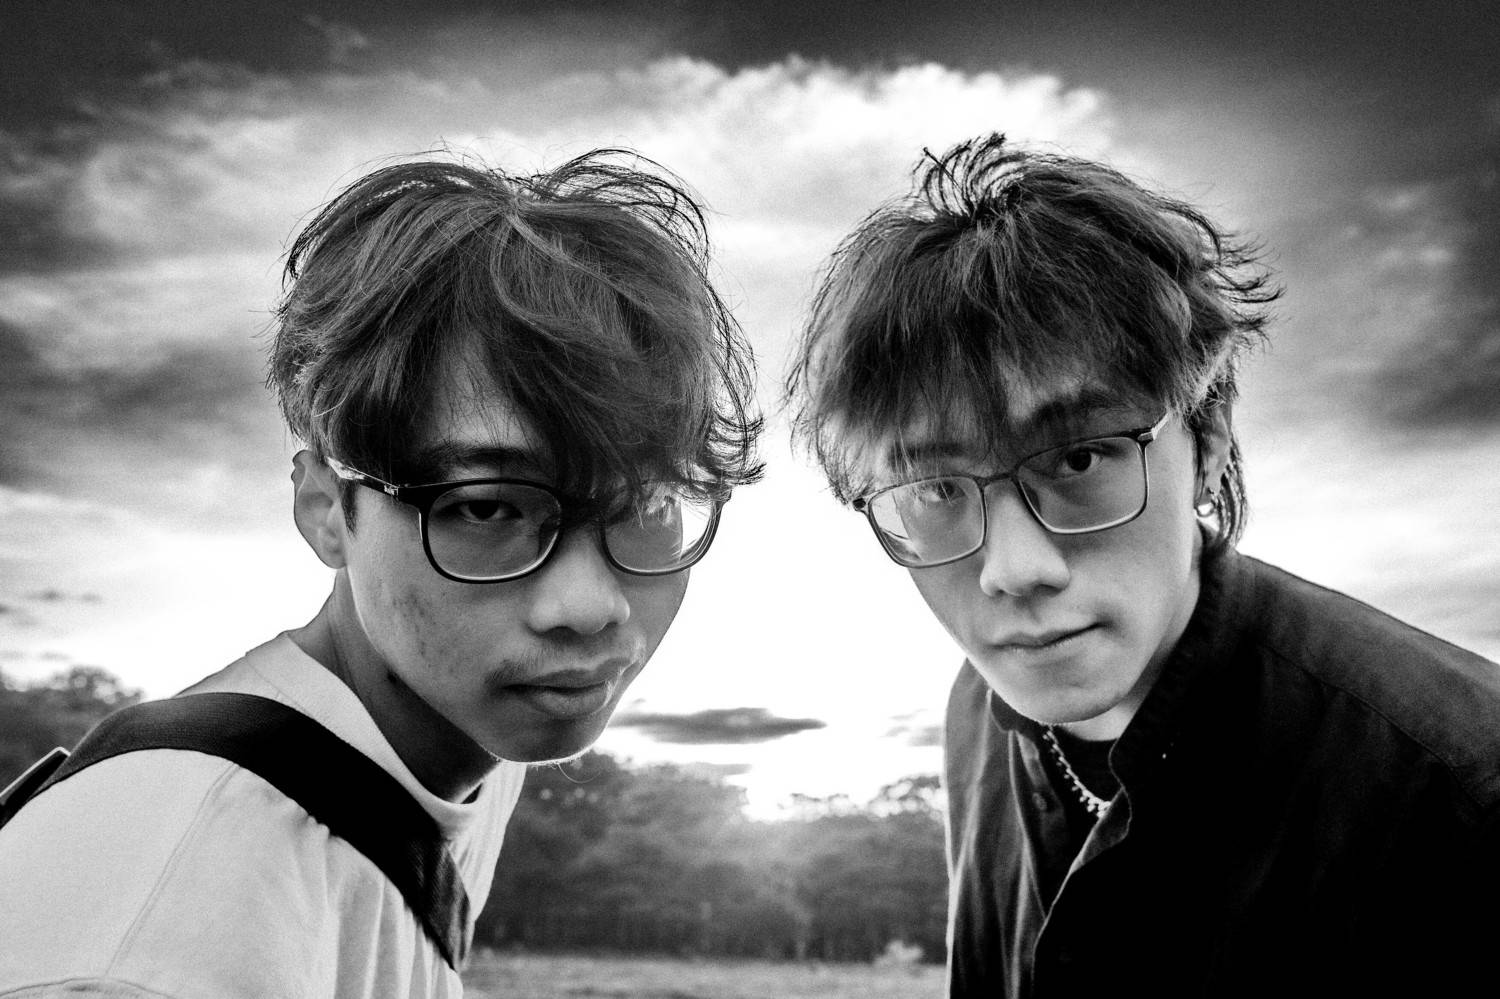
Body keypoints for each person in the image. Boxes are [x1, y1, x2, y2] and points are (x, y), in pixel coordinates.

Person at [0, 149, 761, 997]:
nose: (588, 605)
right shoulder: (156, 941)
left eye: (649, 501)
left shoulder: (462, 733)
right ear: (327, 508)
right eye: (486, 508)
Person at [784, 133, 1500, 997]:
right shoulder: (979, 705)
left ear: (1208, 438)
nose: (1014, 569)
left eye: (1078, 458)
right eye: (935, 489)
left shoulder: (1457, 790)